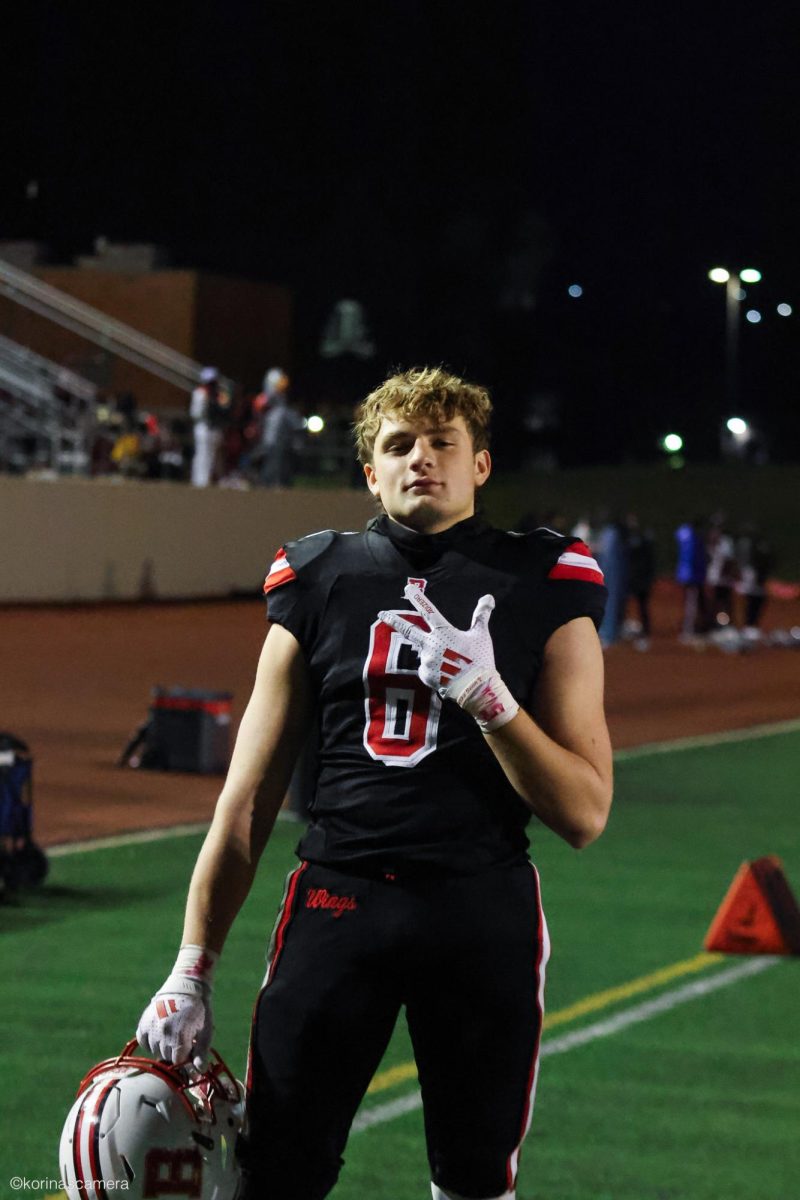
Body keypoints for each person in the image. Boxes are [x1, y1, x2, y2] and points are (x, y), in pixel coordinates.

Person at [136, 367, 613, 1200]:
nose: (420, 457)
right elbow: (245, 802)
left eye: (442, 442)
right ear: (370, 473)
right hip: (339, 902)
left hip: (479, 907)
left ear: (482, 465)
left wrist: (491, 701)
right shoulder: (317, 577)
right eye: (398, 444)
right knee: (276, 1173)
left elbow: (584, 812)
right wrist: (191, 964)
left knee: (473, 1181)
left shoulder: (544, 580)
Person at [190, 367, 230, 487]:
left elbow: (225, 411)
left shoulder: (220, 395)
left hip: (214, 429)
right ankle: (200, 481)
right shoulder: (200, 393)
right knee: (202, 455)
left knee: (213, 457)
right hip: (204, 427)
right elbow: (196, 413)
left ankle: (210, 480)